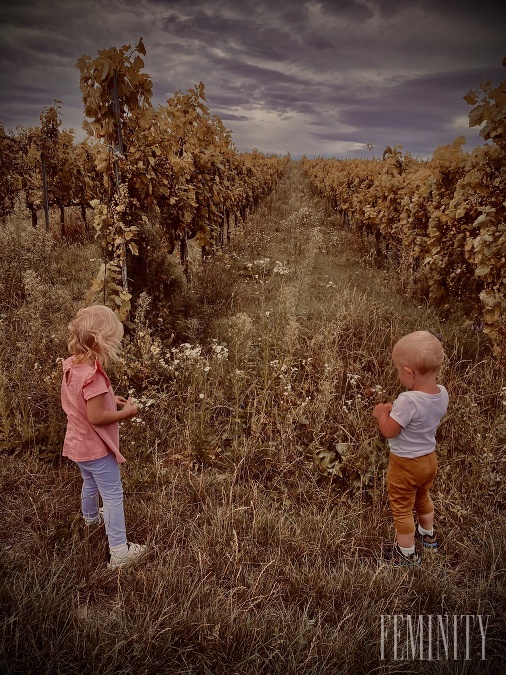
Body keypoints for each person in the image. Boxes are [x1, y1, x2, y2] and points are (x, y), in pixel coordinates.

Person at [61, 304, 146, 570]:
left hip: (77, 445)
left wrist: (110, 398)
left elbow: (83, 403)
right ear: (102, 342)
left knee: (89, 482)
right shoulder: (93, 377)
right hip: (96, 448)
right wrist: (126, 413)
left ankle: (90, 520)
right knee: (111, 494)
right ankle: (120, 553)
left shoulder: (72, 368)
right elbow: (96, 417)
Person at [373, 330, 449, 566]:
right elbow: (419, 420)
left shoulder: (408, 400)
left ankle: (406, 553)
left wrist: (381, 414)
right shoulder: (442, 393)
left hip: (406, 464)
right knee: (423, 497)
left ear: (409, 372)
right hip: (429, 460)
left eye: (398, 370)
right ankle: (428, 536)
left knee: (402, 508)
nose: (398, 374)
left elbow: (389, 431)